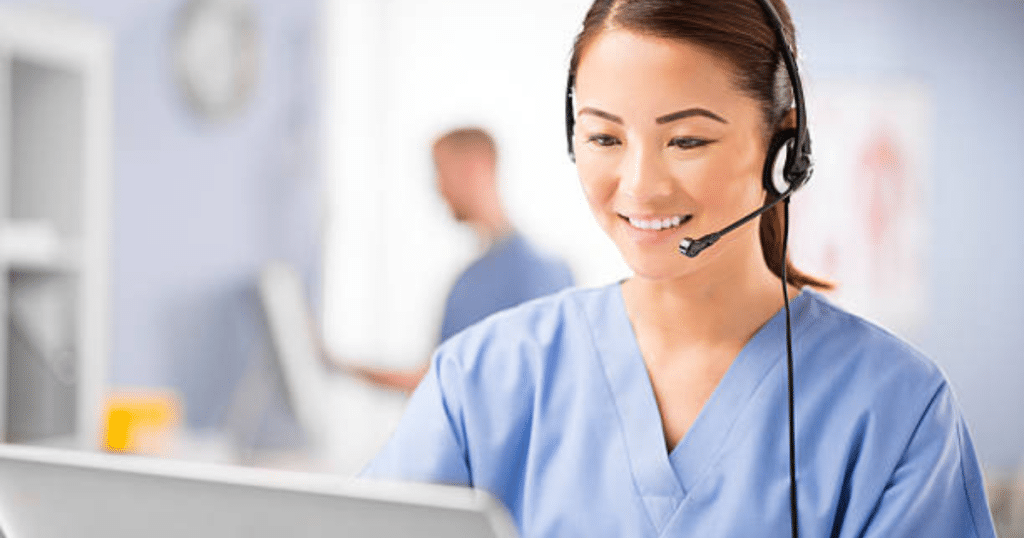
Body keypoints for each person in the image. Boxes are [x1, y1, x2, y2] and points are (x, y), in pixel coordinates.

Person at [361, 1, 996, 537]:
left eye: (687, 140)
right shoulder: (478, 381)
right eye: (605, 138)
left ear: (783, 145)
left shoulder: (896, 410)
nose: (640, 186)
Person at [348, 127, 575, 392]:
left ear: (475, 168)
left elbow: (539, 385)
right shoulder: (468, 281)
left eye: (441, 171)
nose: (438, 187)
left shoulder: (541, 274)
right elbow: (441, 382)